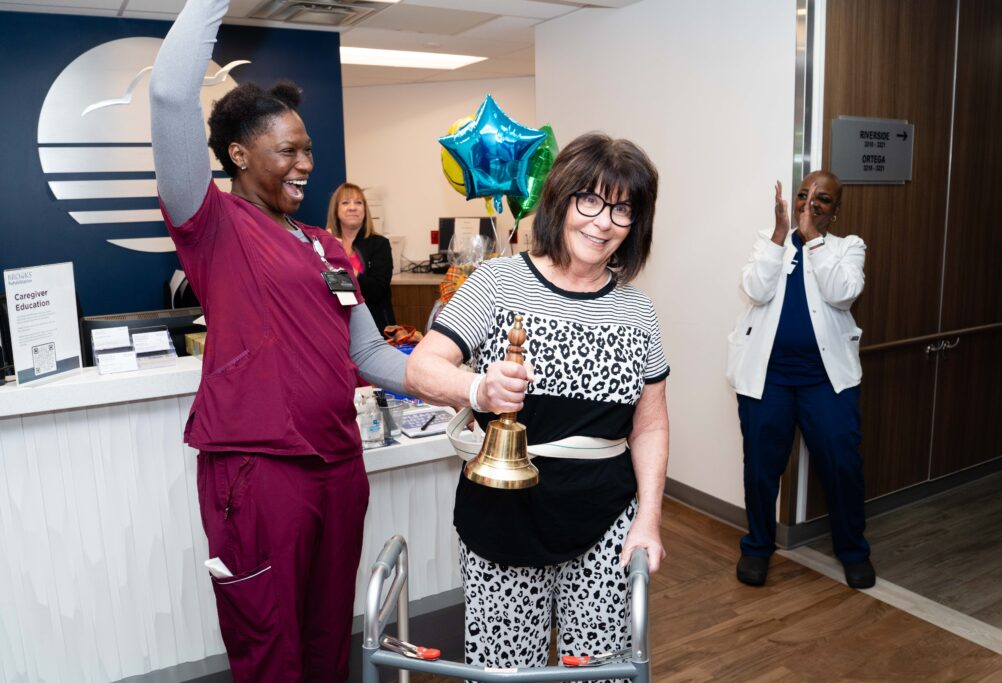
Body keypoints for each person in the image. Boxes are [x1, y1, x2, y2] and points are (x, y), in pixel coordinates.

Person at [150, 0, 409, 679]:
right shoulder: (214, 224)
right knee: (272, 648)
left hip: (339, 465)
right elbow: (170, 91)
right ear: (239, 154)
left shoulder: (326, 245)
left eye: (308, 149)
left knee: (328, 641)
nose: (304, 163)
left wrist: (463, 382)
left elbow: (370, 354)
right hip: (261, 470)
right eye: (287, 150)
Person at [406, 132, 670, 673]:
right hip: (502, 518)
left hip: (604, 523)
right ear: (562, 199)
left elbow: (650, 427)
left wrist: (649, 520)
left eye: (622, 210)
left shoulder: (639, 312)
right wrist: (477, 389)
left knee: (598, 671)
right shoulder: (498, 282)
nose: (602, 222)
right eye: (590, 200)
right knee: (509, 672)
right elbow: (421, 367)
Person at [727, 171, 874, 589]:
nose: (810, 204)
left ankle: (853, 552)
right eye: (804, 195)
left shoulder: (848, 248)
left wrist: (813, 240)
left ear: (836, 210)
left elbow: (842, 293)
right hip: (768, 379)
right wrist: (780, 237)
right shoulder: (770, 241)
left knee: (843, 466)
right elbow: (754, 290)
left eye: (822, 200)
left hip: (825, 382)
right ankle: (757, 548)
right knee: (760, 468)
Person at [325, 183, 397, 332]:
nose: (352, 207)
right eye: (345, 202)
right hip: (337, 326)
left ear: (364, 209)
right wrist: (326, 251)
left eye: (358, 202)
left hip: (375, 327)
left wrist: (342, 263)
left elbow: (377, 291)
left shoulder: (379, 244)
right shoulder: (324, 244)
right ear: (336, 210)